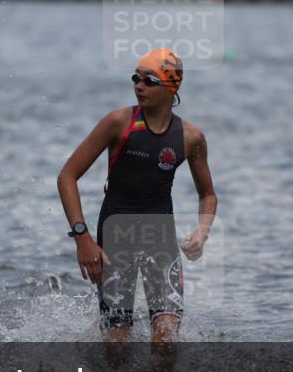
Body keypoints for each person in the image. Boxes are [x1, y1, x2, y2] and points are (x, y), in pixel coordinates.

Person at [57, 48, 217, 344]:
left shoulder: (190, 137)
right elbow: (67, 176)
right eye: (136, 78)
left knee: (166, 340)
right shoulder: (118, 123)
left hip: (160, 239)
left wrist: (202, 232)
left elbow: (207, 194)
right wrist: (83, 239)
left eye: (149, 80)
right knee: (117, 346)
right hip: (115, 238)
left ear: (172, 88)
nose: (139, 86)